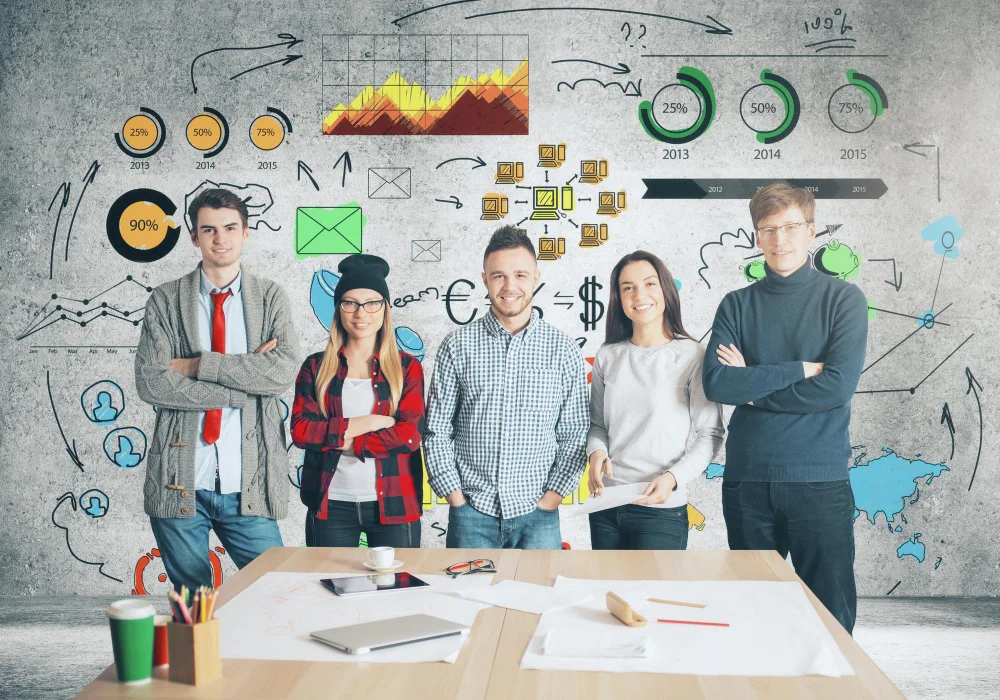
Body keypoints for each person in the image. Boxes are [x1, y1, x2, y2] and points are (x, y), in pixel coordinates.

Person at [702, 182, 868, 633]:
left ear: (811, 231)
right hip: (747, 481)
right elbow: (718, 383)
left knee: (831, 617)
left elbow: (835, 388)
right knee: (756, 617)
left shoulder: (843, 300)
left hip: (818, 480)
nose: (780, 239)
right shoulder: (736, 305)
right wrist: (798, 368)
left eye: (791, 226)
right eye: (768, 229)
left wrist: (752, 385)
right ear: (757, 237)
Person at [135, 188, 301, 593]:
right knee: (193, 605)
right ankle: (201, 661)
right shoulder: (165, 299)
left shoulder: (270, 296)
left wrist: (198, 366)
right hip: (180, 481)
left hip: (249, 481)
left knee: (274, 591)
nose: (219, 238)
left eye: (230, 228)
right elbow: (151, 381)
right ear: (194, 237)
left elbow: (280, 373)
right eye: (208, 229)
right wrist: (240, 389)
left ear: (246, 233)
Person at [425, 225, 589, 550]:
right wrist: (456, 499)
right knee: (467, 600)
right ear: (484, 279)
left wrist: (552, 499)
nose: (510, 286)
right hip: (471, 513)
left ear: (536, 277)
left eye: (520, 275)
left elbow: (575, 434)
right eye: (498, 276)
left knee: (539, 601)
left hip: (539, 516)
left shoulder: (563, 349)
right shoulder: (457, 346)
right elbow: (436, 431)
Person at [587, 251, 723, 550]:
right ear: (619, 299)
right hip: (606, 504)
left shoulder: (692, 355)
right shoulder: (608, 355)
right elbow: (597, 425)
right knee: (607, 595)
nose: (640, 295)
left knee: (653, 597)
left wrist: (673, 478)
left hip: (660, 508)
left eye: (650, 284)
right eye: (628, 287)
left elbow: (710, 433)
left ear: (666, 290)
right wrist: (596, 453)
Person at [290, 254, 425, 548]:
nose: (361, 313)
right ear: (338, 309)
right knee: (327, 589)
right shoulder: (315, 367)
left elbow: (410, 436)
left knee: (398, 589)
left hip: (395, 503)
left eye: (372, 303)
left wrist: (341, 438)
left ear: (385, 309)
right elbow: (301, 432)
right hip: (330, 503)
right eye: (350, 302)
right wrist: (372, 422)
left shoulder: (407, 367)